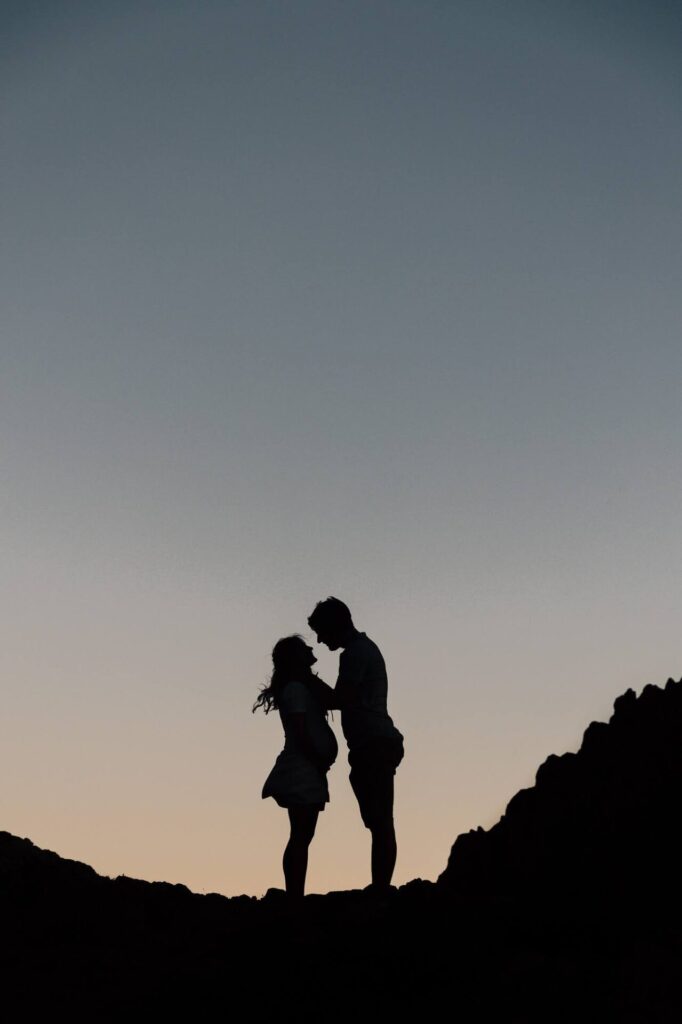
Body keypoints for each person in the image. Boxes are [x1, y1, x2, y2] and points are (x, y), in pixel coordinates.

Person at [307, 598, 404, 894]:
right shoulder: (361, 650)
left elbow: (341, 698)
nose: (320, 641)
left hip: (374, 743)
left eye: (322, 632)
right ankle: (380, 888)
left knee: (381, 822)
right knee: (378, 821)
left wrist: (306, 680)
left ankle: (381, 890)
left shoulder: (355, 653)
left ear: (335, 625)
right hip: (371, 744)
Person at [254, 635, 338, 900]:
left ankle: (295, 895)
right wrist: (317, 759)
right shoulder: (295, 690)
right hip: (302, 769)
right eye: (304, 648)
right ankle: (295, 897)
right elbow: (300, 732)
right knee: (301, 835)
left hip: (308, 768)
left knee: (303, 835)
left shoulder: (303, 686)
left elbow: (335, 699)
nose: (311, 648)